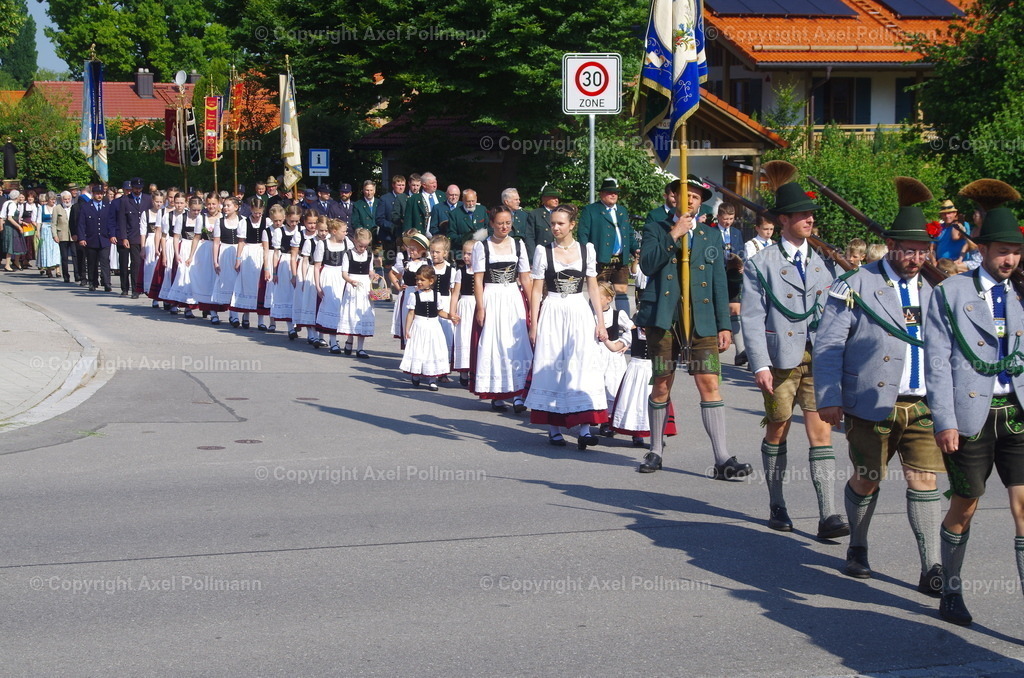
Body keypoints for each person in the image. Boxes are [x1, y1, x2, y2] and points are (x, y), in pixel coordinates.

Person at [814, 180, 945, 595]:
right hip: (871, 402)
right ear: (889, 245)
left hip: (923, 404)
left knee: (924, 480)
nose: (915, 258)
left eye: (921, 250)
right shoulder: (855, 284)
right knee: (868, 477)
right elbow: (829, 345)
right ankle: (857, 544)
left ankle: (931, 567)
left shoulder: (937, 291)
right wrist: (829, 397)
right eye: (908, 250)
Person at [924, 206, 1024, 627]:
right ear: (982, 249)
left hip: (1016, 413)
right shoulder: (951, 292)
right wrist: (944, 420)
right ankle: (951, 589)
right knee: (965, 504)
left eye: (1017, 253)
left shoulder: (1021, 291)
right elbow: (938, 361)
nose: (1011, 260)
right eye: (1003, 251)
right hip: (970, 416)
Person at [741, 180, 849, 539]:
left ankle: (828, 514)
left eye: (811, 214)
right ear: (783, 220)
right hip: (779, 360)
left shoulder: (821, 262)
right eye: (802, 214)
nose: (809, 219)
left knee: (822, 432)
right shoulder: (761, 263)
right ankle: (777, 503)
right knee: (779, 426)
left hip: (819, 358)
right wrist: (758, 364)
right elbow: (753, 317)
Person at [636, 179, 751, 480]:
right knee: (661, 382)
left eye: (696, 197)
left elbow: (718, 282)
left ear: (701, 203)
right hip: (665, 320)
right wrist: (674, 234)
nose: (690, 201)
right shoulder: (655, 228)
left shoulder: (711, 236)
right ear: (673, 198)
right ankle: (656, 450)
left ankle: (722, 457)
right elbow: (647, 266)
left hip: (702, 323)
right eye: (685, 195)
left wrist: (724, 324)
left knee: (710, 383)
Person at [524, 204, 608, 448]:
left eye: (560, 223)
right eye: (552, 223)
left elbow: (592, 286)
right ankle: (554, 428)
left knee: (581, 366)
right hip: (552, 310)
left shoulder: (586, 250)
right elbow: (537, 289)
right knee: (553, 366)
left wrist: (600, 322)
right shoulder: (543, 251)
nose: (555, 228)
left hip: (579, 310)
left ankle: (584, 428)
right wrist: (533, 324)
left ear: (572, 225)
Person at [471, 205, 533, 412]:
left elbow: (525, 276)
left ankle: (518, 394)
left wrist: (533, 305)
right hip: (492, 296)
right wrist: (480, 307)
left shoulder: (518, 245)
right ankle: (497, 393)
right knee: (494, 344)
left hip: (513, 297)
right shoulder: (483, 247)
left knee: (516, 344)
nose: (504, 226)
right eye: (500, 223)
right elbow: (478, 280)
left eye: (508, 222)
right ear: (492, 224)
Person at [578, 177, 637, 314]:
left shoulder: (622, 210)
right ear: (601, 194)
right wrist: (588, 257)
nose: (613, 195)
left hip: (620, 261)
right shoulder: (591, 210)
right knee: (598, 293)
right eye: (610, 192)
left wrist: (635, 250)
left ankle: (624, 325)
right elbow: (583, 235)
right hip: (600, 260)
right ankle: (595, 321)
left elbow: (629, 233)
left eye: (615, 192)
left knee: (622, 292)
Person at [400, 266, 454, 391]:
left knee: (432, 351)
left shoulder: (437, 295)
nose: (419, 282)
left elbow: (440, 312)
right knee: (419, 350)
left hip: (433, 327)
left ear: (431, 281)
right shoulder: (414, 295)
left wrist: (451, 317)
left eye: (422, 280)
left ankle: (432, 379)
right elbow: (411, 314)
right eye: (418, 279)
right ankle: (416, 373)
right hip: (419, 326)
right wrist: (407, 330)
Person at [595, 281, 634, 441]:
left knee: (612, 386)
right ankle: (598, 417)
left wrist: (626, 343)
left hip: (612, 357)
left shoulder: (618, 315)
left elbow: (632, 329)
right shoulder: (588, 313)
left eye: (598, 297)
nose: (594, 300)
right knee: (597, 386)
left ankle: (610, 421)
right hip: (595, 355)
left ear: (609, 299)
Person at [336, 227, 380, 357]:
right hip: (353, 286)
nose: (363, 249)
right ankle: (349, 340)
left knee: (363, 315)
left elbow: (370, 270)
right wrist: (350, 281)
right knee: (352, 315)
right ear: (355, 241)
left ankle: (360, 347)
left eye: (365, 246)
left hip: (365, 286)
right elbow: (344, 273)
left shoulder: (369, 254)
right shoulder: (348, 254)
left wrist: (374, 275)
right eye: (361, 246)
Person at [313, 219, 355, 353]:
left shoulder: (347, 243)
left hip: (342, 275)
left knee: (341, 307)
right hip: (328, 276)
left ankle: (338, 339)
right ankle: (332, 341)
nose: (346, 233)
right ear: (334, 231)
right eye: (343, 231)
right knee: (331, 305)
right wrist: (318, 286)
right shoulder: (322, 244)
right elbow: (317, 266)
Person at [231, 196, 271, 329]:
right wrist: (238, 259)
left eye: (260, 213)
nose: (257, 215)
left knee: (259, 286)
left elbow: (268, 242)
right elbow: (241, 242)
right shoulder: (244, 222)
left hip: (261, 252)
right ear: (251, 210)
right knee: (247, 285)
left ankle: (260, 320)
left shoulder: (267, 221)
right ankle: (246, 316)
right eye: (255, 212)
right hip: (248, 253)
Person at [165, 196, 205, 318]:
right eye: (194, 210)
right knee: (181, 275)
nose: (196, 212)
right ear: (189, 207)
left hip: (196, 248)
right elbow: (176, 236)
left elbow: (197, 237)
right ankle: (175, 303)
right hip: (184, 246)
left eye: (198, 210)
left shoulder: (201, 218)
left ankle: (189, 306)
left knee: (192, 277)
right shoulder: (181, 218)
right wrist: (176, 254)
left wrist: (192, 255)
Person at [210, 196, 246, 327]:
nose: (225, 208)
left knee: (236, 283)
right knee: (220, 281)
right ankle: (214, 311)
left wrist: (240, 257)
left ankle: (234, 314)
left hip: (238, 252)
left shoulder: (243, 220)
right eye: (224, 205)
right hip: (224, 252)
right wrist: (215, 261)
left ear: (236, 207)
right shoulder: (219, 222)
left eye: (228, 205)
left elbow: (243, 240)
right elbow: (216, 243)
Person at [389, 231, 429, 349]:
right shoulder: (406, 263)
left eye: (415, 249)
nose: (411, 251)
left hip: (422, 296)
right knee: (409, 322)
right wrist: (398, 286)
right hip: (408, 295)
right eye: (410, 248)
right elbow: (392, 273)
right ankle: (409, 350)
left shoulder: (427, 263)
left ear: (422, 250)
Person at [269, 205, 303, 336]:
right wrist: (275, 271)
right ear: (286, 218)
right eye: (291, 221)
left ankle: (297, 322)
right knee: (287, 294)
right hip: (284, 263)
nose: (294, 224)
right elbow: (276, 253)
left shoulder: (302, 230)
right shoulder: (279, 231)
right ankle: (290, 327)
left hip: (299, 262)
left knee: (298, 294)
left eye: (296, 221)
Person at [75, 184, 115, 291]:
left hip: (104, 238)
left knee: (105, 262)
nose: (99, 196)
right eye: (97, 194)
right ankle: (92, 282)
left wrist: (112, 235)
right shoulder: (86, 207)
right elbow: (81, 224)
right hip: (91, 239)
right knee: (92, 262)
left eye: (101, 194)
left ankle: (107, 283)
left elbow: (111, 222)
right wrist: (82, 238)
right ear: (93, 194)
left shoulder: (107, 206)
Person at [118, 177, 152, 298]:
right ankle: (135, 289)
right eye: (136, 188)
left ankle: (148, 287)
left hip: (147, 236)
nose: (138, 190)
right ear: (132, 188)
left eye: (140, 188)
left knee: (149, 263)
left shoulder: (148, 199)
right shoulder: (125, 200)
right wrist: (124, 237)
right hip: (132, 236)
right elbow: (122, 220)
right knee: (135, 263)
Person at [450, 239, 478, 387]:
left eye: (469, 254)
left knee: (477, 338)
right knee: (464, 336)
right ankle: (463, 371)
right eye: (464, 253)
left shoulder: (482, 271)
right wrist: (452, 312)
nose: (466, 257)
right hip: (465, 305)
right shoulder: (460, 272)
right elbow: (455, 294)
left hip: (478, 305)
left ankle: (476, 369)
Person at [140, 191, 166, 304]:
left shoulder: (166, 213)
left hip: (164, 241)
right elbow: (143, 232)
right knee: (151, 268)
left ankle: (165, 296)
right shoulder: (146, 213)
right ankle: (153, 295)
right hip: (150, 241)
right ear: (152, 201)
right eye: (157, 201)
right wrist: (143, 247)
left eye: (161, 202)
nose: (159, 204)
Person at [376, 175, 406, 265]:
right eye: (399, 185)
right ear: (393, 185)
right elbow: (379, 219)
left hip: (404, 238)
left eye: (403, 185)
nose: (401, 187)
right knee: (390, 263)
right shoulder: (385, 199)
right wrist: (392, 227)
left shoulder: (407, 198)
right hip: (389, 238)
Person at [525, 185, 559, 256]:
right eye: (553, 197)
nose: (556, 200)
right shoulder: (535, 214)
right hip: (543, 253)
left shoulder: (561, 214)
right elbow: (530, 237)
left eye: (557, 198)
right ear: (544, 199)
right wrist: (533, 257)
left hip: (558, 253)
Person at [932, 199, 968, 264]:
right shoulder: (937, 228)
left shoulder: (963, 225)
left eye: (949, 213)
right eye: (944, 214)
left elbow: (967, 243)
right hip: (940, 264)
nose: (947, 216)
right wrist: (934, 261)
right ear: (941, 215)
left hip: (958, 263)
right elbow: (933, 248)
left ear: (955, 213)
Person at [52, 190, 76, 283]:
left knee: (75, 256)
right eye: (65, 199)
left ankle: (77, 275)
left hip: (73, 236)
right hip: (62, 235)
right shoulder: (57, 208)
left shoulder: (74, 207)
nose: (67, 201)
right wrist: (55, 235)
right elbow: (53, 223)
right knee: (64, 257)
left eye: (68, 199)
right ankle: (66, 276)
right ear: (61, 199)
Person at [35, 191, 60, 277]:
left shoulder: (57, 207)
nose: (53, 201)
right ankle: (48, 269)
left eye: (54, 199)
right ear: (48, 199)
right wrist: (37, 231)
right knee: (47, 249)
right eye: (51, 199)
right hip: (45, 229)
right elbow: (39, 221)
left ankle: (58, 269)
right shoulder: (42, 208)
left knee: (56, 249)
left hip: (55, 229)